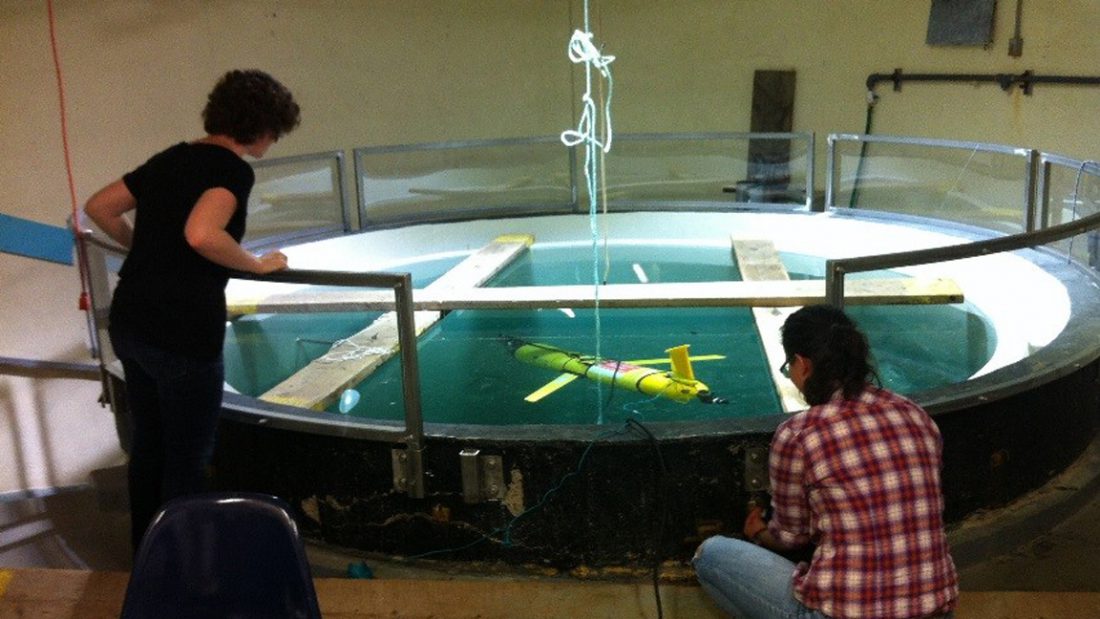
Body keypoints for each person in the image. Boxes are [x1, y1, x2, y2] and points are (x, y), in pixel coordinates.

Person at [84, 69, 301, 552]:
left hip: (132, 319)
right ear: (262, 126)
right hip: (181, 328)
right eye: (275, 130)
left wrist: (144, 247)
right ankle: (181, 567)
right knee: (187, 458)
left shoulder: (172, 158)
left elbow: (99, 207)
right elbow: (202, 235)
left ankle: (147, 555)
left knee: (149, 447)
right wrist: (256, 265)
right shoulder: (231, 170)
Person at [693, 305, 958, 618]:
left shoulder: (799, 434)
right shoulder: (914, 414)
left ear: (803, 365)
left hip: (844, 612)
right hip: (937, 611)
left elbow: (791, 537)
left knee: (711, 555)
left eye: (788, 366)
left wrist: (758, 531)